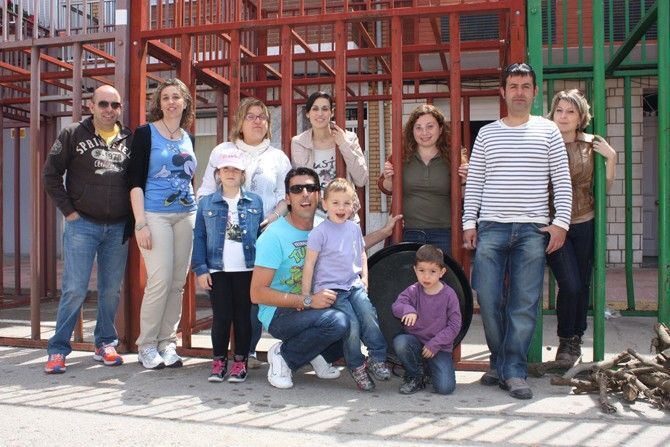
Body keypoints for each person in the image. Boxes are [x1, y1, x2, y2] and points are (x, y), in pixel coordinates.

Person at [462, 63, 572, 399]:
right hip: (491, 227)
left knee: (524, 303)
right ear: (503, 91)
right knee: (488, 297)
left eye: (525, 86)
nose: (519, 92)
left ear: (535, 92)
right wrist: (469, 222)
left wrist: (561, 223)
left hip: (532, 229)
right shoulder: (487, 134)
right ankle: (499, 361)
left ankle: (512, 369)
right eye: (513, 86)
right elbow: (476, 182)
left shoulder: (549, 131)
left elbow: (561, 179)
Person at [42, 85, 131, 373]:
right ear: (91, 106)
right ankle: (58, 349)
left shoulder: (129, 138)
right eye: (103, 104)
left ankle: (104, 343)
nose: (109, 110)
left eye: (115, 105)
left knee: (110, 291)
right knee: (75, 289)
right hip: (83, 225)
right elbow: (50, 175)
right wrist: (69, 212)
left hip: (117, 228)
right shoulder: (72, 134)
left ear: (120, 108)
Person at [198, 97, 292, 368]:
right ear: (240, 121)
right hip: (225, 241)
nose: (257, 121)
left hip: (265, 235)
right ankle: (223, 356)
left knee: (253, 298)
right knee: (226, 305)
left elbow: (285, 197)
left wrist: (273, 219)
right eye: (250, 116)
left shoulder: (278, 157)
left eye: (262, 116)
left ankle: (247, 352)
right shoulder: (223, 151)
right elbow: (205, 191)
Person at [250, 167, 348, 389]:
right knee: (337, 322)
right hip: (280, 312)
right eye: (297, 189)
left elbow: (353, 247)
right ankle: (284, 356)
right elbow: (256, 294)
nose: (305, 193)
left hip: (315, 305)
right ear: (287, 198)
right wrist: (307, 300)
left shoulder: (326, 226)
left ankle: (315, 354)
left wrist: (384, 232)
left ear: (318, 195)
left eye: (311, 188)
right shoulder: (273, 236)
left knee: (357, 316)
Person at [129, 78, 197, 370]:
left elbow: (189, 178)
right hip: (155, 214)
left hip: (186, 214)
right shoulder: (145, 133)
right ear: (159, 103)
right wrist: (140, 223)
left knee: (177, 283)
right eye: (166, 97)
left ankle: (167, 342)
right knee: (160, 279)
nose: (171, 102)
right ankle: (146, 344)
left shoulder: (188, 137)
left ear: (185, 103)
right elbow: (134, 181)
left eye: (176, 97)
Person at [546, 89, 617, 362]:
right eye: (559, 110)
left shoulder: (591, 143)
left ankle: (575, 339)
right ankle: (566, 339)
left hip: (585, 221)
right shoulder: (544, 141)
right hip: (555, 225)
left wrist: (612, 158)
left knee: (583, 284)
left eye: (570, 111)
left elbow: (603, 188)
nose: (563, 116)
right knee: (571, 284)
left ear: (581, 117)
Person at [301, 178, 390, 391]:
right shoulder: (319, 232)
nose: (341, 208)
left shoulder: (353, 229)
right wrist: (306, 296)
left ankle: (377, 357)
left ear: (353, 206)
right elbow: (309, 265)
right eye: (336, 203)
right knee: (352, 325)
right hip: (332, 289)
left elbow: (361, 254)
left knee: (368, 315)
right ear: (325, 204)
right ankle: (357, 366)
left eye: (346, 203)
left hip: (354, 284)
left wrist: (365, 278)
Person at [292, 90, 400, 249]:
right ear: (307, 113)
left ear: (332, 112)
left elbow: (361, 179)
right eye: (315, 109)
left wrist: (343, 145)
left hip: (344, 212)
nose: (320, 113)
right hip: (314, 215)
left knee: (349, 257)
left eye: (325, 109)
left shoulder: (349, 138)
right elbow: (300, 183)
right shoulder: (298, 142)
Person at [192, 149, 263, 383]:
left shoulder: (255, 201)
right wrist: (201, 269)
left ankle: (240, 361)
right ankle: (219, 361)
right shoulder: (206, 203)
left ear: (243, 174)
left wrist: (262, 270)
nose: (230, 173)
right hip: (218, 270)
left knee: (243, 317)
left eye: (235, 169)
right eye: (225, 169)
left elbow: (260, 237)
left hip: (247, 270)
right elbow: (199, 236)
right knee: (221, 317)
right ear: (218, 174)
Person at [378, 104, 466, 255]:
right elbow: (386, 188)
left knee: (443, 271)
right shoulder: (400, 156)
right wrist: (389, 178)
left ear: (440, 128)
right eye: (418, 127)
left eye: (430, 126)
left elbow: (463, 196)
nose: (424, 132)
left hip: (444, 233)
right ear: (412, 131)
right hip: (406, 231)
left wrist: (464, 181)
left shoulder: (454, 158)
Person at [392, 244, 462, 395]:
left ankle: (430, 369)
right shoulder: (413, 290)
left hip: (439, 346)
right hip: (415, 343)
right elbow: (397, 306)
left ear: (442, 272)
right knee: (401, 342)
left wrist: (434, 344)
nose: (426, 276)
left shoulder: (449, 295)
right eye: (421, 270)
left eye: (432, 271)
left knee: (445, 388)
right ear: (415, 270)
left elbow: (455, 325)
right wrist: (408, 310)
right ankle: (415, 376)